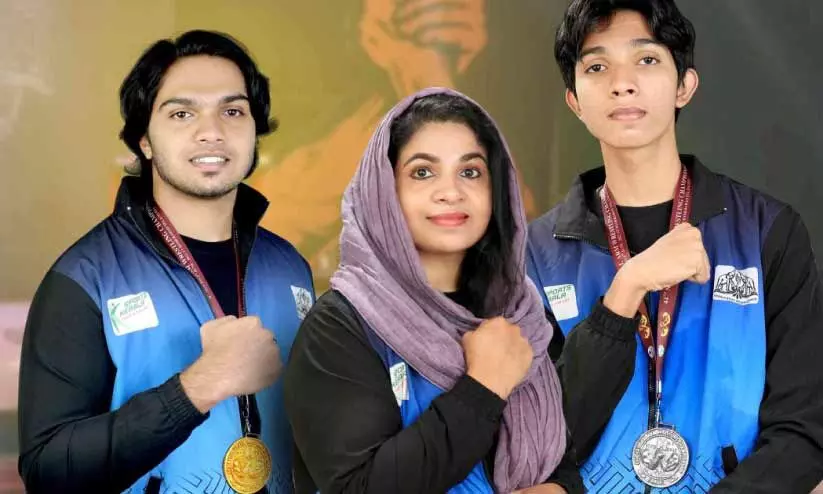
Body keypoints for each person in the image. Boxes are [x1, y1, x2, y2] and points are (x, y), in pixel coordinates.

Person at [526, 1, 823, 492]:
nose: (622, 83)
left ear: (684, 85)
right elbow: (540, 440)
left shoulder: (767, 231)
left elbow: (804, 429)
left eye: (646, 60)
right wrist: (623, 294)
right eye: (597, 67)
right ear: (574, 101)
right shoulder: (534, 257)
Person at [17, 30, 314, 494]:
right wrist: (196, 388)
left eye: (233, 111)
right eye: (181, 113)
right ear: (145, 141)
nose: (211, 131)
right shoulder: (85, 278)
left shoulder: (290, 268)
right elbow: (47, 471)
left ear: (255, 132)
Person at [283, 88, 576, 493]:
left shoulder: (523, 316)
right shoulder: (340, 328)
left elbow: (564, 455)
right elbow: (358, 488)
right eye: (422, 172)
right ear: (383, 192)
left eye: (470, 172)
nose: (451, 192)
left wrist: (561, 489)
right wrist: (484, 388)